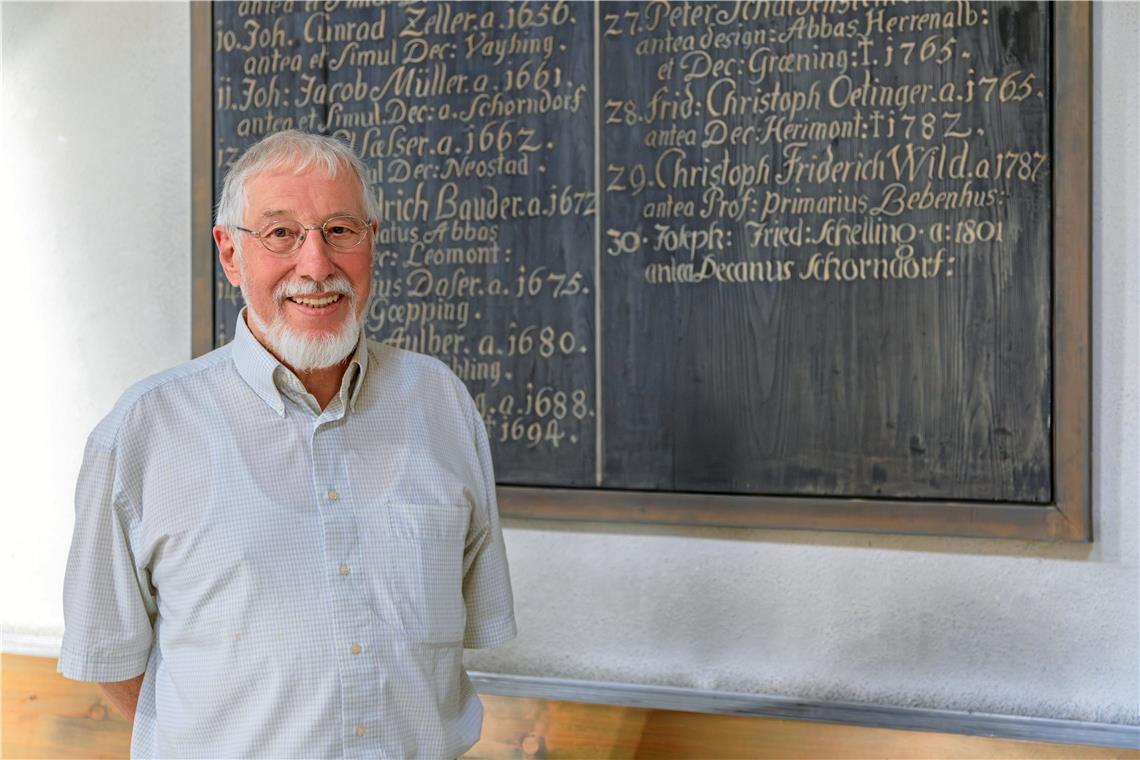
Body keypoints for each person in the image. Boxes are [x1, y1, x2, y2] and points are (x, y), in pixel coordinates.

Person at [59, 130, 516, 758]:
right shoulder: (143, 431)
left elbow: (467, 626)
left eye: (340, 231)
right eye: (281, 234)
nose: (316, 265)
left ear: (371, 241)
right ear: (229, 254)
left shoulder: (441, 405)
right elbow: (110, 657)